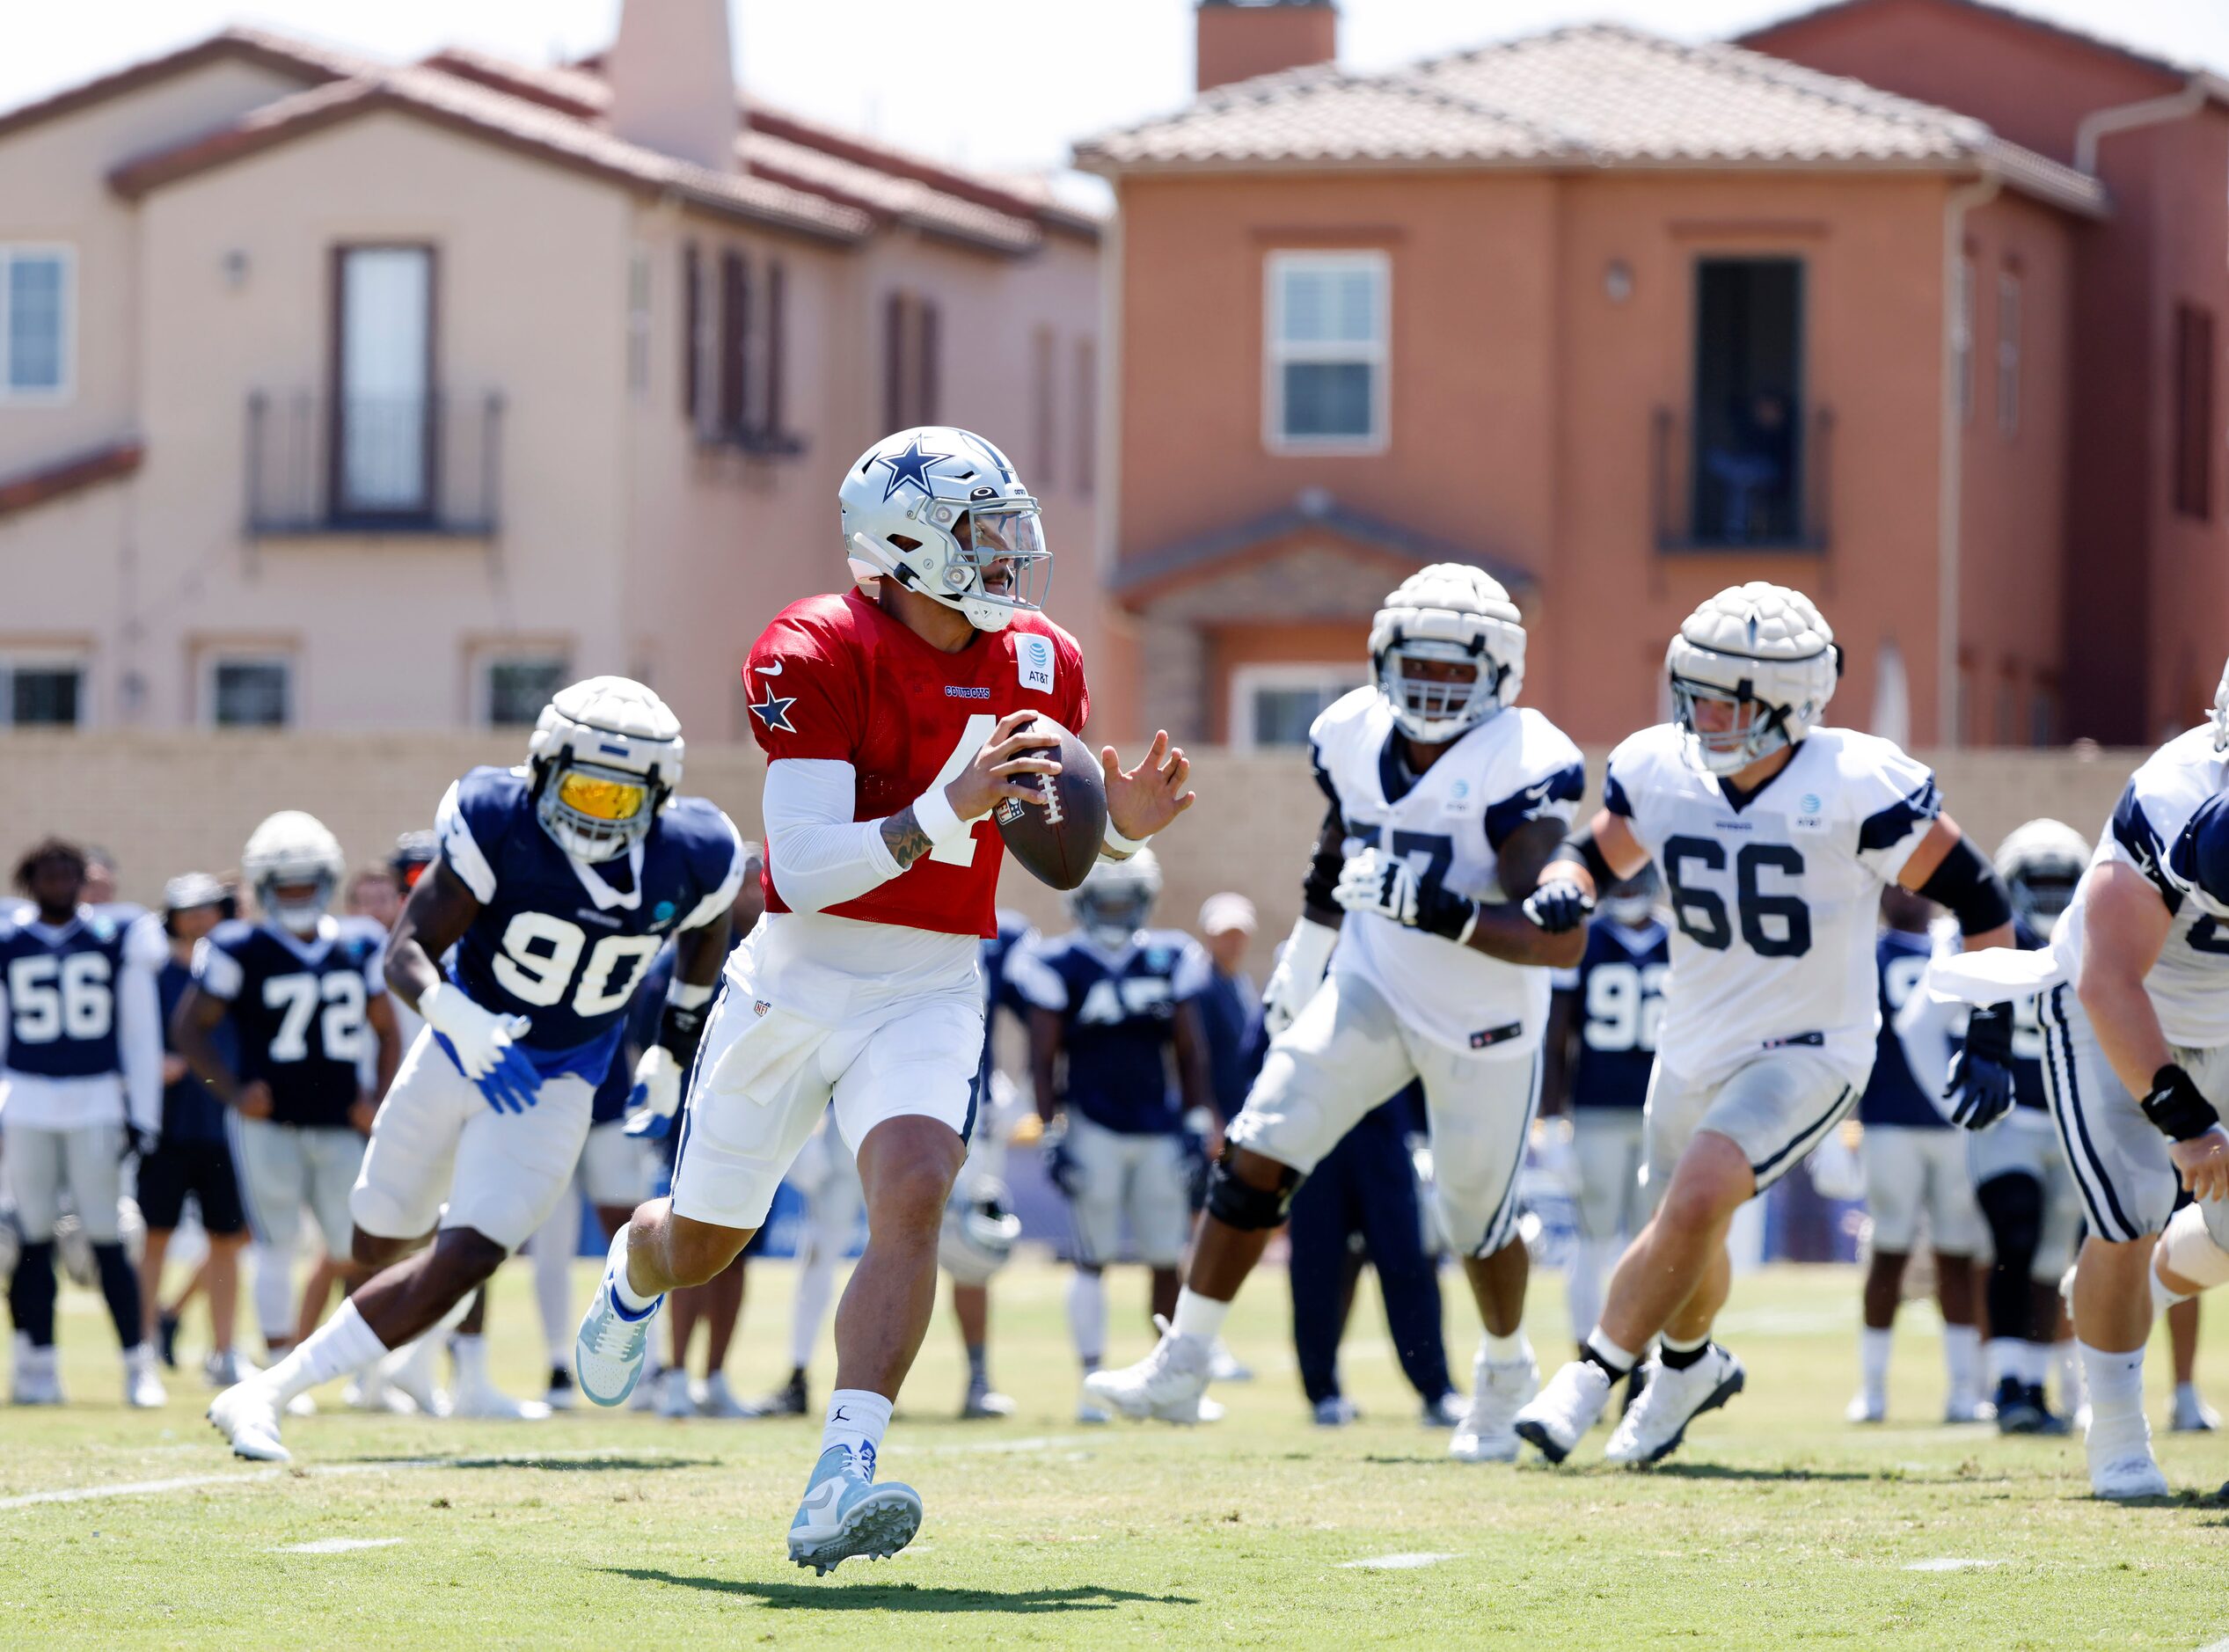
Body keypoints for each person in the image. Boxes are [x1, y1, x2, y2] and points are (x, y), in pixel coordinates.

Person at [573, 425, 1192, 1575]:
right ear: (906, 546)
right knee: (702, 1245)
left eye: (1011, 534)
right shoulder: (815, 646)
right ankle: (630, 1273)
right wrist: (947, 808)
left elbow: (1050, 828)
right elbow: (799, 868)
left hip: (932, 976)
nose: (1008, 559)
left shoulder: (1040, 658)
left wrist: (1115, 830)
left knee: (914, 1191)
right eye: (981, 536)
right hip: (797, 972)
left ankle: (838, 1476)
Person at [1087, 562, 1585, 1466]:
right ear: (1379, 661)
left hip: (1481, 1016)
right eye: (1414, 665)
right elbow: (1334, 854)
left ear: (1498, 675)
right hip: (1373, 984)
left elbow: (1553, 934)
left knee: (1476, 1217)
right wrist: (1305, 961)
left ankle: (1505, 1370)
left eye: (1451, 670)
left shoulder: (1522, 761)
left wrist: (1453, 907)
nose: (1429, 687)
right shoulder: (1351, 733)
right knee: (1256, 1145)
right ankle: (1184, 1359)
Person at [1510, 581, 2015, 1467]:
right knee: (1686, 1226)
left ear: (1785, 703)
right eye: (1690, 691)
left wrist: (1988, 1034)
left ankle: (1589, 1374)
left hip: (1811, 1047)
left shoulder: (1855, 782)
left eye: (1718, 698)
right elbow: (1594, 851)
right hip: (1693, 1039)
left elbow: (1978, 896)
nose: (1696, 713)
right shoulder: (1662, 767)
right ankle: (1687, 1367)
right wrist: (1567, 884)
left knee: (1698, 1192)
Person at [205, 676, 745, 1460]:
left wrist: (671, 1046)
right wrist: (461, 1019)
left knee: (469, 1256)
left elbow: (706, 932)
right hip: (459, 1049)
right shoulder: (496, 820)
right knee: (377, 1236)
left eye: (619, 800)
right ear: (544, 769)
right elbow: (406, 951)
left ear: (658, 798)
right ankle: (408, 1316)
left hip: (557, 1079)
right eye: (584, 789)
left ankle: (265, 1392)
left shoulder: (696, 853)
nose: (596, 813)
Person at [1925, 662, 2229, 1496]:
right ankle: (2121, 1439)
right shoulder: (2171, 802)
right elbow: (2107, 980)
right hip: (2115, 1007)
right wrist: (2185, 1118)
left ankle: (2141, 1292)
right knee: (2127, 1217)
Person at [172, 814, 398, 1376]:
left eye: (306, 881)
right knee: (275, 1244)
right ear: (264, 885)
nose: (298, 894)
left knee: (357, 1248)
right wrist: (230, 1091)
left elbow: (387, 1027)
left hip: (340, 1121)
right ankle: (276, 1365)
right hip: (269, 1124)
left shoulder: (359, 941)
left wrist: (379, 1096)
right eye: (286, 884)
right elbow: (189, 1028)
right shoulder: (238, 944)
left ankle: (365, 1372)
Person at [1012, 850, 1215, 1423]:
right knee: (1091, 1259)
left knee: (1164, 1259)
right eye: (1107, 898)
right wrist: (1050, 1131)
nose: (1118, 910)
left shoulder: (1170, 954)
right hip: (1093, 1124)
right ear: (1082, 900)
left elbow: (1191, 1050)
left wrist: (1199, 1122)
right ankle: (1091, 1384)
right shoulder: (1059, 961)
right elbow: (1042, 1056)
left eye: (1127, 898)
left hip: (1157, 1125)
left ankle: (1168, 1385)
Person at [1897, 820, 2087, 1434]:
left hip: (2070, 1120)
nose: (2054, 896)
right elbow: (1918, 1026)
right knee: (2015, 1231)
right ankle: (2008, 1383)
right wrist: (1956, 1105)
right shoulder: (1974, 935)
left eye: (2065, 882)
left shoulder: (2094, 934)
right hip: (2008, 1120)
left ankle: (2035, 1384)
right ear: (2011, 883)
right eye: (2041, 881)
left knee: (2055, 1256)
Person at [1, 837, 167, 1406]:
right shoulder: (10, 938)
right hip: (25, 1097)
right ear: (30, 880)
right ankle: (38, 1365)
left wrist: (143, 1113)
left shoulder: (118, 934)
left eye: (67, 874)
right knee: (29, 1238)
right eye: (47, 874)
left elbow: (141, 1032)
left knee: (108, 1238)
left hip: (96, 1097)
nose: (58, 884)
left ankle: (136, 1363)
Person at [1842, 885, 1985, 1424]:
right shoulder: (1866, 953)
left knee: (1958, 1253)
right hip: (1889, 1119)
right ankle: (1873, 1389)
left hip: (1953, 1122)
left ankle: (1964, 1391)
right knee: (1889, 1250)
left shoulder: (1953, 946)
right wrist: (1843, 1124)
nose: (1906, 893)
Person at [1541, 865, 1668, 1385]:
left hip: (1662, 1112)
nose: (1631, 889)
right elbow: (1556, 1036)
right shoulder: (1585, 939)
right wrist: (1551, 1123)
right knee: (1592, 1243)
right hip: (1595, 1110)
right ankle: (1588, 1363)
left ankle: (1647, 1363)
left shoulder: (1679, 943)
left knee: (1655, 1244)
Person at [1285, 1078, 1461, 1426]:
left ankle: (1436, 1388)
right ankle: (1323, 1390)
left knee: (1407, 1262)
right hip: (1315, 1136)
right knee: (1316, 1267)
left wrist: (1428, 1130)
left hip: (1384, 1133)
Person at [138, 874, 250, 1385]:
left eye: (209, 909)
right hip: (168, 1125)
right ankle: (140, 1347)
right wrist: (150, 1066)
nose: (201, 919)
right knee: (155, 1236)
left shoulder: (236, 970)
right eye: (190, 910)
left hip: (223, 1125)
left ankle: (223, 1350)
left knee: (227, 1240)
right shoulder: (155, 973)